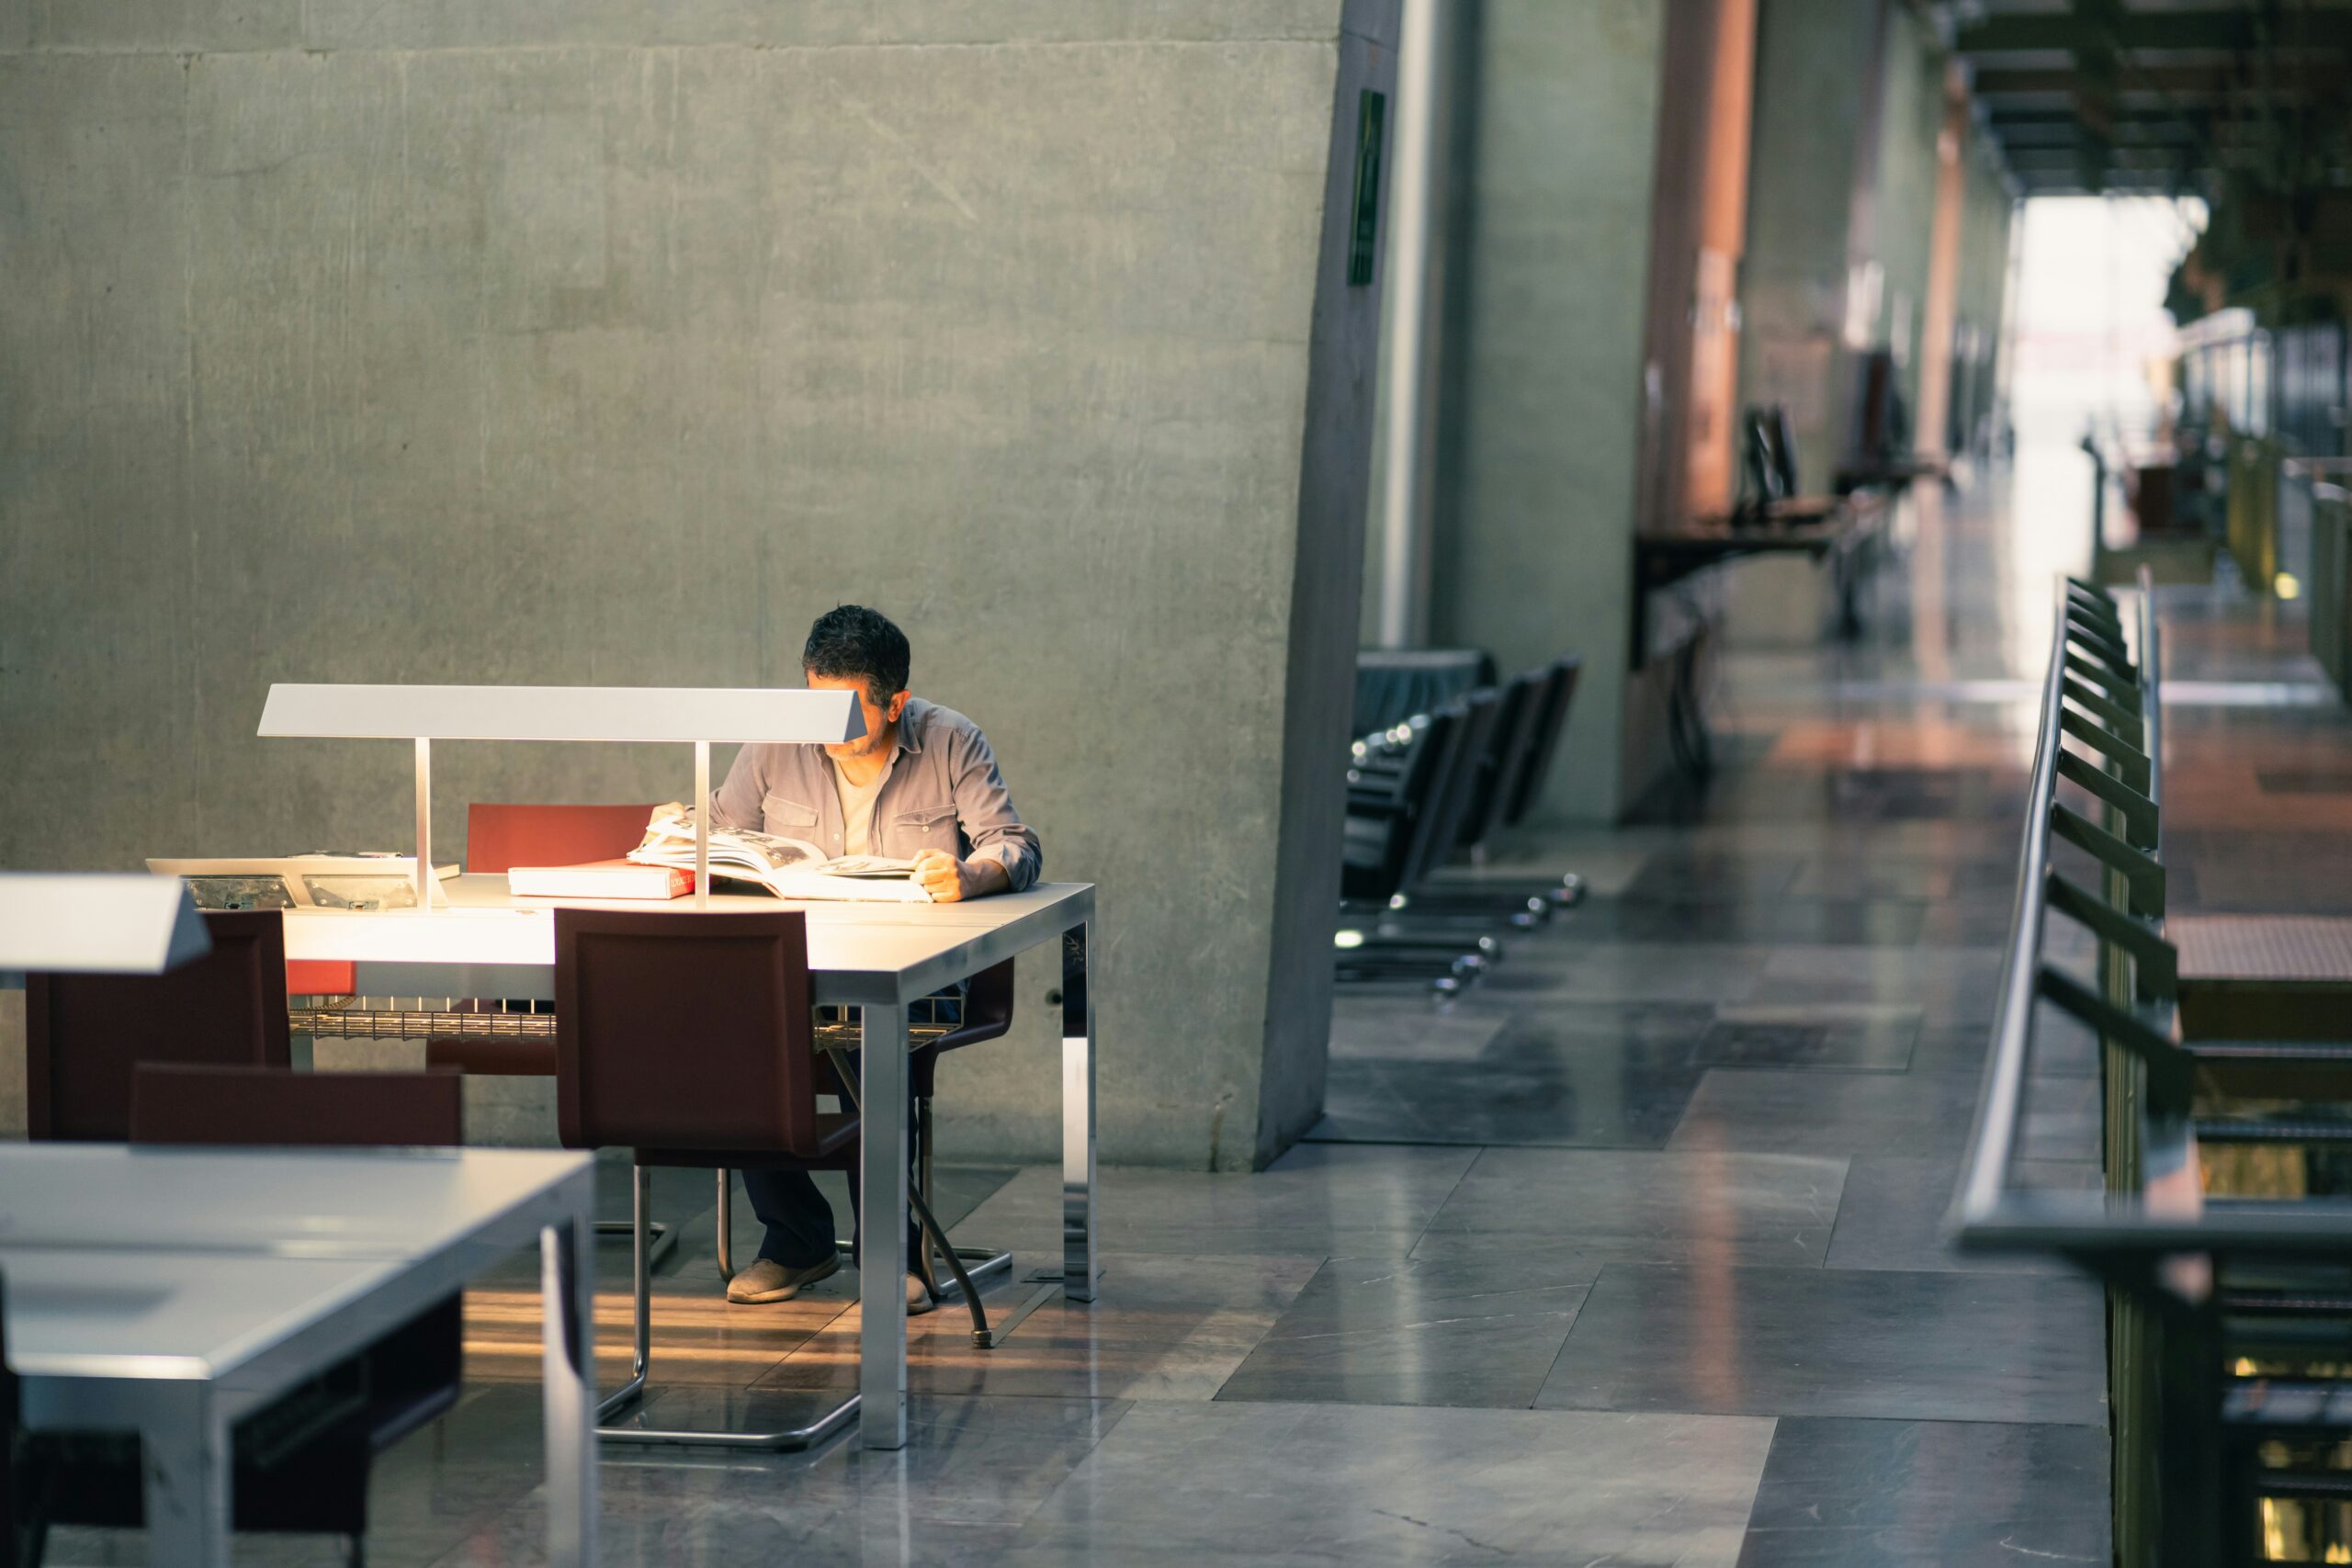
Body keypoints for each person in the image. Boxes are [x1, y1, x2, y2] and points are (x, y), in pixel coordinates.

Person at [704, 604, 1041, 1310]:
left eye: (849, 714)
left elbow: (1015, 842)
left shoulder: (951, 741)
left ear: (897, 703)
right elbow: (720, 831)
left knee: (867, 1031)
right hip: (798, 961)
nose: (827, 732)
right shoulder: (775, 743)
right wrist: (688, 847)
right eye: (815, 707)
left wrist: (972, 874)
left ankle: (888, 1249)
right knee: (726, 1034)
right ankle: (797, 1237)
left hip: (913, 971)